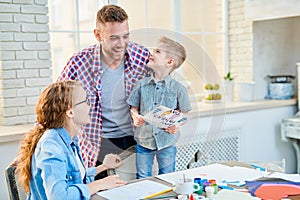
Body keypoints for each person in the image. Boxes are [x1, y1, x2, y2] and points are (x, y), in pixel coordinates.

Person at [57, 4, 151, 172]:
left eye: (126, 36)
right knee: (100, 195)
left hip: (136, 139)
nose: (122, 44)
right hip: (98, 143)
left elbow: (163, 86)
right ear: (97, 35)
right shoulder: (79, 62)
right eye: (114, 38)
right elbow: (54, 103)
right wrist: (32, 147)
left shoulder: (141, 56)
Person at [16, 80, 126, 199]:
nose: (90, 105)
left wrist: (104, 166)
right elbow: (59, 196)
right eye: (86, 101)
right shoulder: (50, 145)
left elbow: (74, 177)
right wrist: (100, 184)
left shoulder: (68, 139)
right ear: (70, 112)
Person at [127, 36, 192, 178]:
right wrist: (135, 116)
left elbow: (185, 113)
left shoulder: (179, 89)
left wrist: (177, 125)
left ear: (169, 62)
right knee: (142, 177)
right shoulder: (141, 84)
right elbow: (133, 107)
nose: (151, 53)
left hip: (167, 142)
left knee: (167, 177)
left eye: (157, 51)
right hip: (143, 141)